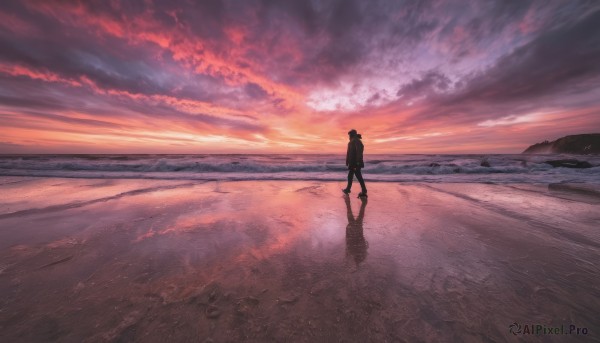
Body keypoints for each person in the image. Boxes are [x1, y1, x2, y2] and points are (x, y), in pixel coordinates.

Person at [342, 129, 367, 197]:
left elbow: (359, 152)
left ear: (353, 134)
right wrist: (347, 161)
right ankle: (348, 189)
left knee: (358, 176)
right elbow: (349, 153)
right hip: (352, 162)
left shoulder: (356, 141)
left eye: (350, 134)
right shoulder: (352, 141)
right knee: (351, 176)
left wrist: (358, 162)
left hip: (355, 162)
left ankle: (363, 191)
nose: (349, 136)